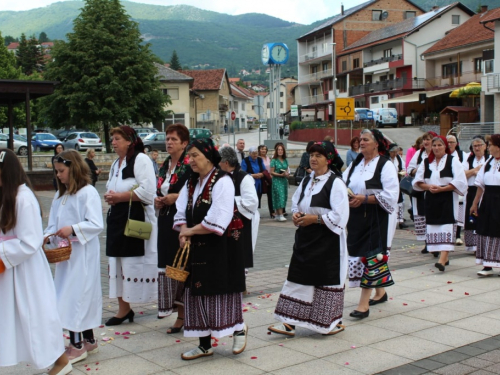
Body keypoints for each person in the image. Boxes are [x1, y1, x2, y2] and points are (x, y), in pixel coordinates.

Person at [174, 138, 247, 360]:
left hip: (221, 246)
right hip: (197, 246)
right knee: (197, 291)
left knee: (222, 288)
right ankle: (204, 344)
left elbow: (218, 218)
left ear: (208, 156)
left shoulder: (223, 181)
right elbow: (181, 210)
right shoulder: (191, 182)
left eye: (195, 155)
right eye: (189, 156)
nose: (191, 160)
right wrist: (184, 230)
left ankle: (239, 329)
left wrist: (189, 232)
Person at [0, 149, 71, 375]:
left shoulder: (24, 198)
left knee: (35, 315)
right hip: (10, 267)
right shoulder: (7, 195)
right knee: (16, 317)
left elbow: (29, 242)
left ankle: (60, 360)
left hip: (25, 269)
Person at [268, 141, 349, 336]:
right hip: (305, 238)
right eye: (311, 155)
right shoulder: (306, 180)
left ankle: (327, 322)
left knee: (325, 279)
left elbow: (340, 215)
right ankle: (289, 321)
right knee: (297, 276)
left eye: (318, 155)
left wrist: (316, 218)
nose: (313, 158)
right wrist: (296, 215)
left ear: (328, 160)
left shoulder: (335, 183)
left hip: (327, 239)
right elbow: (296, 203)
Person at [46, 149, 104, 364]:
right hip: (66, 256)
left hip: (83, 254)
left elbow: (96, 223)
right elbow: (53, 224)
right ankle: (88, 339)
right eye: (56, 171)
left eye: (61, 171)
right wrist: (47, 237)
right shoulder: (60, 195)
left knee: (76, 296)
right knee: (68, 293)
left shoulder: (87, 192)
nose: (58, 175)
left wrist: (72, 228)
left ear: (74, 169)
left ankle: (77, 344)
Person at [104, 126, 158, 326]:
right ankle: (124, 309)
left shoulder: (141, 159)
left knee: (133, 261)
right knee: (117, 261)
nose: (114, 142)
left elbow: (148, 191)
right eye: (113, 139)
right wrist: (111, 196)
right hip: (117, 217)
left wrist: (119, 196)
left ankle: (155, 302)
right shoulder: (116, 163)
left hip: (136, 217)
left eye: (117, 138)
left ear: (129, 141)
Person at [343, 129, 399, 319]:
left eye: (366, 140)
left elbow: (391, 195)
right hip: (356, 215)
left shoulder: (385, 165)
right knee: (360, 253)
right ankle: (380, 292)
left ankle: (363, 305)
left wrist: (364, 198)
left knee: (371, 255)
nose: (361, 142)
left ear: (377, 144)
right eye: (360, 140)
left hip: (377, 216)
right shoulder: (356, 163)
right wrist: (348, 195)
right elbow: (343, 183)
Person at [154, 124, 192, 332]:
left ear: (184, 143)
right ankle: (178, 312)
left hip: (181, 221)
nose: (169, 142)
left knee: (181, 267)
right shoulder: (164, 165)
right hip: (164, 220)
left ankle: (183, 315)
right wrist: (158, 200)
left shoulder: (189, 165)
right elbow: (159, 188)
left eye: (173, 139)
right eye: (167, 139)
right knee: (169, 266)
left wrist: (174, 197)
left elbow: (194, 192)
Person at [413, 136, 467, 272]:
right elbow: (417, 181)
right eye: (434, 145)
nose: (437, 148)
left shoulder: (453, 160)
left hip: (447, 197)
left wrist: (442, 188)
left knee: (446, 226)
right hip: (431, 198)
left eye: (440, 145)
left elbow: (460, 181)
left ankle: (442, 260)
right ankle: (444, 256)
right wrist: (428, 187)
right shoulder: (426, 162)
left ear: (445, 147)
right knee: (433, 226)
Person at [219, 146, 260, 274]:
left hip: (244, 218)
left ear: (226, 163)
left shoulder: (244, 177)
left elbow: (252, 201)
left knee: (241, 249)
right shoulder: (220, 175)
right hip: (226, 219)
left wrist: (228, 200)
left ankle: (241, 281)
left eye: (218, 161)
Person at [470, 134, 500, 276]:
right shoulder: (489, 162)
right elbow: (480, 185)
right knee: (486, 229)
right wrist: (475, 204)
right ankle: (487, 265)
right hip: (488, 200)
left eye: (490, 144)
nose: (488, 147)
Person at [407, 132, 437, 254]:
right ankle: (427, 243)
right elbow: (409, 169)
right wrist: (419, 170)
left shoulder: (438, 153)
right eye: (424, 139)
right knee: (422, 215)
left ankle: (435, 244)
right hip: (420, 189)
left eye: (428, 139)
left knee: (433, 215)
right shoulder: (419, 154)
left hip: (433, 189)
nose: (426, 142)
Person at [464, 136, 488, 253]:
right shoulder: (468, 159)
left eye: (479, 145)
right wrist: (474, 171)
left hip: (485, 191)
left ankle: (482, 245)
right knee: (471, 216)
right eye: (475, 146)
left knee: (483, 216)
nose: (477, 148)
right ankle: (473, 246)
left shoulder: (489, 159)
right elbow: (462, 174)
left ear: (485, 146)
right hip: (472, 190)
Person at [447, 135, 469, 245]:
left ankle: (457, 235)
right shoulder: (443, 155)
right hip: (445, 188)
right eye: (448, 142)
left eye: (452, 142)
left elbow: (464, 171)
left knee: (459, 212)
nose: (450, 144)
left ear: (456, 143)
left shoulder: (462, 155)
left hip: (456, 187)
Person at [389, 143, 407, 230]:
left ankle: (400, 220)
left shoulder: (398, 158)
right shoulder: (386, 159)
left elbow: (403, 167)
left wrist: (403, 171)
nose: (395, 154)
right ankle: (392, 220)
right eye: (393, 152)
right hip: (389, 182)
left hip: (398, 181)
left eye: (396, 152)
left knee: (400, 201)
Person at [271, 142, 289, 222]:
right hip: (277, 180)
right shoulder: (274, 160)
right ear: (276, 151)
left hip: (284, 180)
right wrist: (279, 175)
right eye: (278, 150)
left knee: (284, 196)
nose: (280, 151)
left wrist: (286, 174)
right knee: (279, 196)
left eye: (281, 150)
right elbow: (271, 172)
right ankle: (280, 214)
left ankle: (278, 214)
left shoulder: (285, 160)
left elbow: (287, 170)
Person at [258, 144, 274, 218]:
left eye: (265, 149)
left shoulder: (268, 158)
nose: (263, 150)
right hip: (261, 179)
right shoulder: (258, 159)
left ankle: (272, 212)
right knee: (259, 195)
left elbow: (271, 167)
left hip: (269, 178)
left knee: (270, 196)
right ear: (259, 150)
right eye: (262, 149)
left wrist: (270, 175)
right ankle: (256, 211)